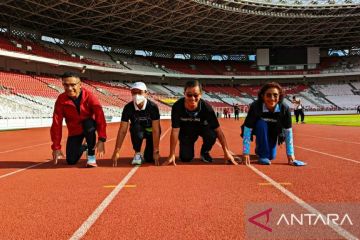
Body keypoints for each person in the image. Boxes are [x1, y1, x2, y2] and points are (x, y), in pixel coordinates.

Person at [164, 80, 237, 166]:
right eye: (189, 95)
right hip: (186, 132)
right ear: (184, 93)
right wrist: (171, 154)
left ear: (201, 95)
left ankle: (205, 152)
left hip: (202, 128)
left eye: (196, 95)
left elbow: (218, 131)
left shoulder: (207, 108)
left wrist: (226, 152)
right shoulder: (177, 107)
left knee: (212, 134)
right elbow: (175, 131)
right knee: (185, 158)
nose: (192, 98)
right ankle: (186, 146)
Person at [50, 72, 107, 167]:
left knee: (88, 123)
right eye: (66, 85)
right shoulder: (61, 99)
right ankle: (85, 146)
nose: (69, 88)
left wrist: (101, 139)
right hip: (74, 131)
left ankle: (91, 156)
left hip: (89, 128)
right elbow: (56, 123)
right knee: (71, 161)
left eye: (73, 85)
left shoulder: (90, 96)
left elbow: (100, 116)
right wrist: (56, 147)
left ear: (80, 85)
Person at [241, 82, 296, 165]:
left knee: (271, 156)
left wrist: (290, 154)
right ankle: (262, 154)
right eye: (268, 95)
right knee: (261, 123)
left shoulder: (285, 108)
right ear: (263, 96)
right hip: (260, 129)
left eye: (275, 95)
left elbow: (288, 132)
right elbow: (247, 128)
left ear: (279, 96)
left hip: (274, 131)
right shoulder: (256, 106)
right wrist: (246, 152)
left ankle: (259, 149)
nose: (272, 98)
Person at [111, 82, 161, 166]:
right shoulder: (128, 108)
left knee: (149, 159)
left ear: (146, 93)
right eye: (134, 92)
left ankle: (149, 153)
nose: (136, 95)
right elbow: (123, 130)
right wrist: (116, 151)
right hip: (138, 131)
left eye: (139, 92)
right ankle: (137, 153)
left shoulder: (153, 107)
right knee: (135, 128)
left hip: (151, 132)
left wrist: (156, 151)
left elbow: (156, 129)